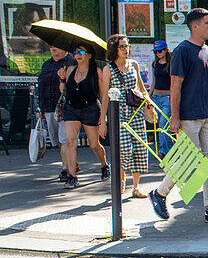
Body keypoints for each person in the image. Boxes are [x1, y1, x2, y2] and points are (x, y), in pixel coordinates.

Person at [149, 8, 208, 223]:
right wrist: (175, 118)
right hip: (188, 116)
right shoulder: (181, 51)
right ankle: (160, 193)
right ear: (195, 26)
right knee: (188, 160)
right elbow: (175, 86)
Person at [59, 43, 110, 188]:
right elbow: (63, 90)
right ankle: (72, 176)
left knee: (94, 144)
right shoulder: (70, 70)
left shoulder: (97, 72)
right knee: (70, 141)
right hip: (71, 108)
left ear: (89, 55)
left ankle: (104, 165)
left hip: (90, 108)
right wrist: (62, 79)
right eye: (76, 52)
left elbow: (103, 95)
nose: (78, 54)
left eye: (82, 52)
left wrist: (103, 118)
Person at [106, 34, 150, 198]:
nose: (126, 49)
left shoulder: (134, 65)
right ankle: (120, 178)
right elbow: (105, 95)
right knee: (124, 147)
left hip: (135, 110)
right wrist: (103, 120)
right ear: (115, 49)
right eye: (122, 46)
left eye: (127, 46)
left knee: (139, 147)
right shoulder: (108, 69)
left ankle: (136, 187)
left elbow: (141, 87)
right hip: (119, 112)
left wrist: (148, 102)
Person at [38, 46, 73, 152]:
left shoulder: (71, 62)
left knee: (65, 139)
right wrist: (41, 108)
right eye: (51, 46)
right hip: (49, 107)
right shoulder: (46, 64)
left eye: (57, 46)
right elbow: (41, 87)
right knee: (57, 140)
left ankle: (68, 165)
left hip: (65, 107)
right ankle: (69, 162)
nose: (53, 48)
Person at [149, 40, 173, 158]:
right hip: (156, 96)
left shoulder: (171, 64)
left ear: (165, 50)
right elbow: (154, 80)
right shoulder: (155, 64)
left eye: (159, 51)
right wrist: (149, 95)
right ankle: (168, 148)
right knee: (159, 124)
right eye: (155, 52)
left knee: (164, 124)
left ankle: (164, 151)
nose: (157, 53)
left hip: (168, 97)